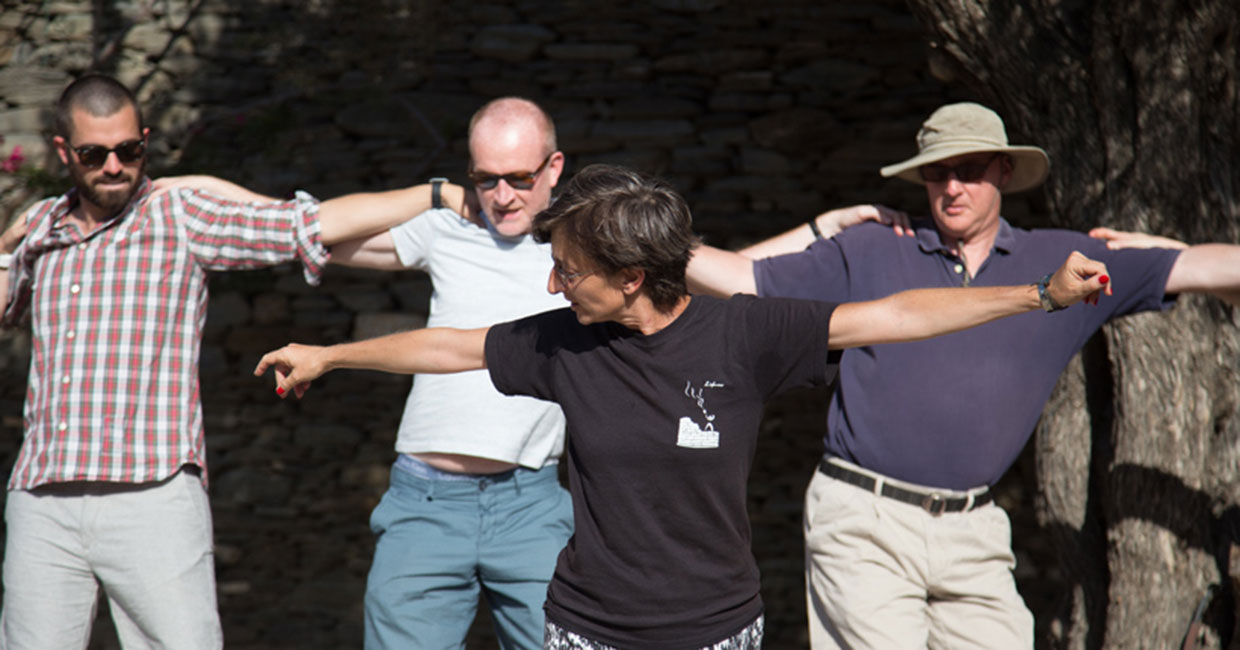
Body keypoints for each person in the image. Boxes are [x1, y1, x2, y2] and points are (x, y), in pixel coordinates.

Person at [252, 164, 1111, 650]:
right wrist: (332, 355)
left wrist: (1036, 293)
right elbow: (452, 346)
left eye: (569, 270)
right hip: (586, 629)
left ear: (632, 277)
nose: (554, 283)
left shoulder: (745, 335)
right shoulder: (563, 341)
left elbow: (896, 316)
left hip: (717, 630)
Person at [687, 102, 1240, 649]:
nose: (952, 187)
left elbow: (1210, 269)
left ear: (1004, 171)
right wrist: (637, 241)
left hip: (974, 528)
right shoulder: (875, 246)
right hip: (864, 519)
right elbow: (746, 280)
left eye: (970, 170)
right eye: (937, 172)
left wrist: (1167, 250)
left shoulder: (1060, 261)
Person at [0, 73, 436, 649]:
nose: (113, 166)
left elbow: (308, 225)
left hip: (151, 495)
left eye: (129, 150)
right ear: (64, 152)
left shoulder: (178, 217)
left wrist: (435, 194)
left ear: (145, 141)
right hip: (43, 497)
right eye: (94, 153)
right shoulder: (38, 230)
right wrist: (5, 248)